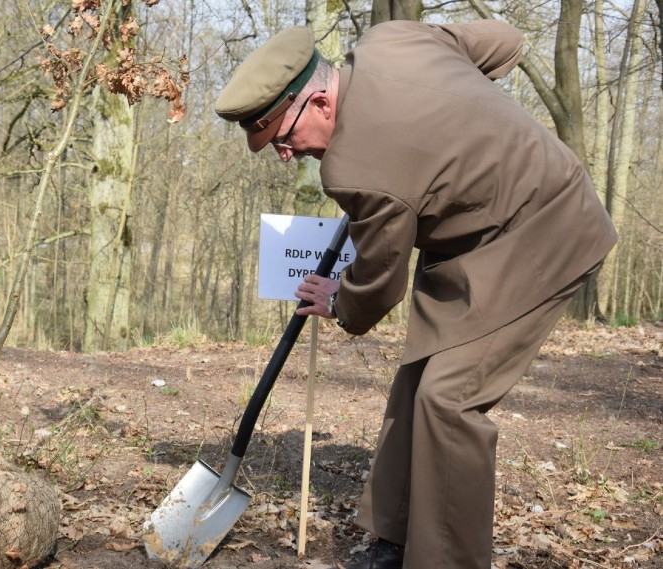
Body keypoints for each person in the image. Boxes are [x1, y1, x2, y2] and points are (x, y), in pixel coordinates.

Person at [214, 19, 617, 569]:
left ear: (321, 104)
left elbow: (379, 283)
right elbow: (505, 39)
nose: (286, 154)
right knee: (418, 376)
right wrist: (455, 106)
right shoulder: (393, 40)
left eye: (283, 138)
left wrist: (338, 301)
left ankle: (446, 561)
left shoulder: (357, 169)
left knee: (449, 399)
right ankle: (395, 537)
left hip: (546, 231)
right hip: (475, 238)